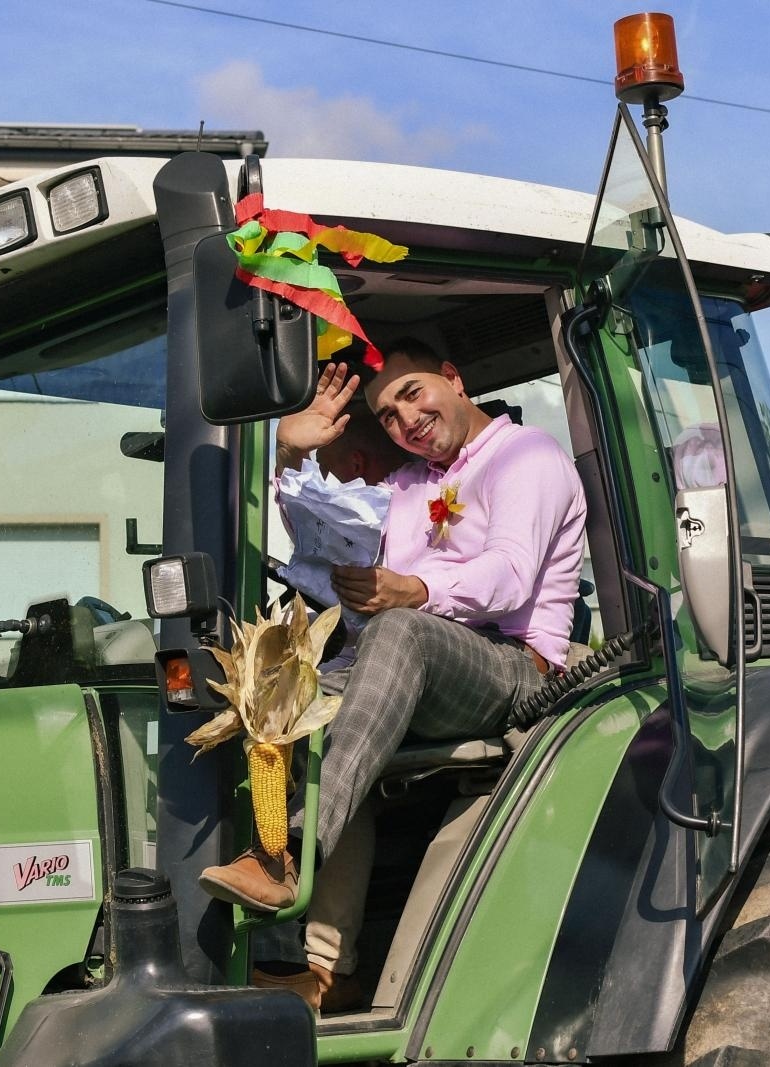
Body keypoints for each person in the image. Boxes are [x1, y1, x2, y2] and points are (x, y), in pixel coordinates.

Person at [200, 338, 588, 1007]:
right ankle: (328, 969)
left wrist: (411, 589)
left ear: (453, 377)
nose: (404, 419)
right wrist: (289, 453)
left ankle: (284, 853)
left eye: (412, 394)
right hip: (416, 661)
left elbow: (510, 573)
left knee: (402, 631)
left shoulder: (526, 455)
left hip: (515, 667)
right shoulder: (410, 484)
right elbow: (313, 530)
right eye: (386, 414)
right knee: (280, 693)